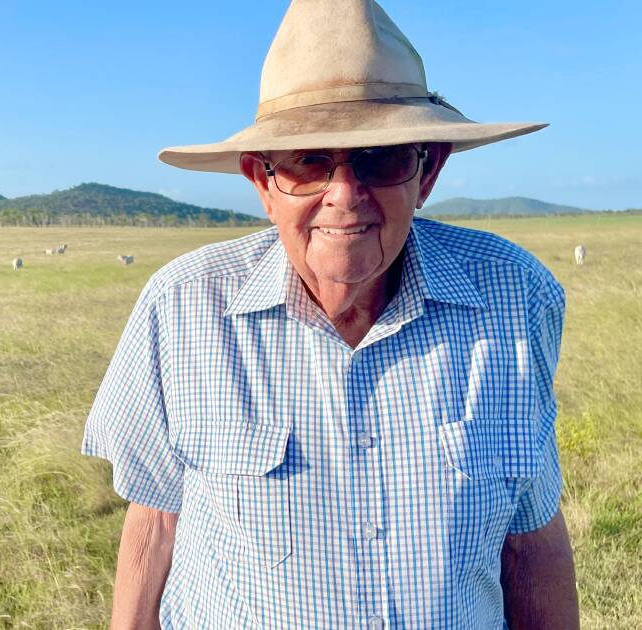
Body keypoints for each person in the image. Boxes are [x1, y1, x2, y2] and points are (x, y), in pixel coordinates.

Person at [81, 1, 579, 628]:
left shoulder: (515, 294)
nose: (344, 194)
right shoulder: (182, 305)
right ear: (262, 183)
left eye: (381, 159)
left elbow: (531, 532)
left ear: (428, 172)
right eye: (309, 161)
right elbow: (154, 515)